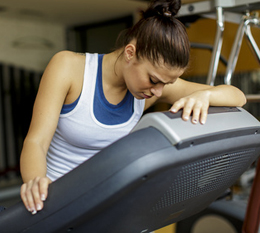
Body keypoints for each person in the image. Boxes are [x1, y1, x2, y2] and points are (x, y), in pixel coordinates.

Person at [19, 0, 246, 215]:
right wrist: (35, 181)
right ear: (130, 53)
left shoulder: (149, 90)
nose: (158, 92)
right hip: (56, 200)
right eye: (154, 80)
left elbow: (237, 96)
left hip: (107, 201)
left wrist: (205, 95)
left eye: (166, 84)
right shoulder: (69, 68)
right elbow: (36, 142)